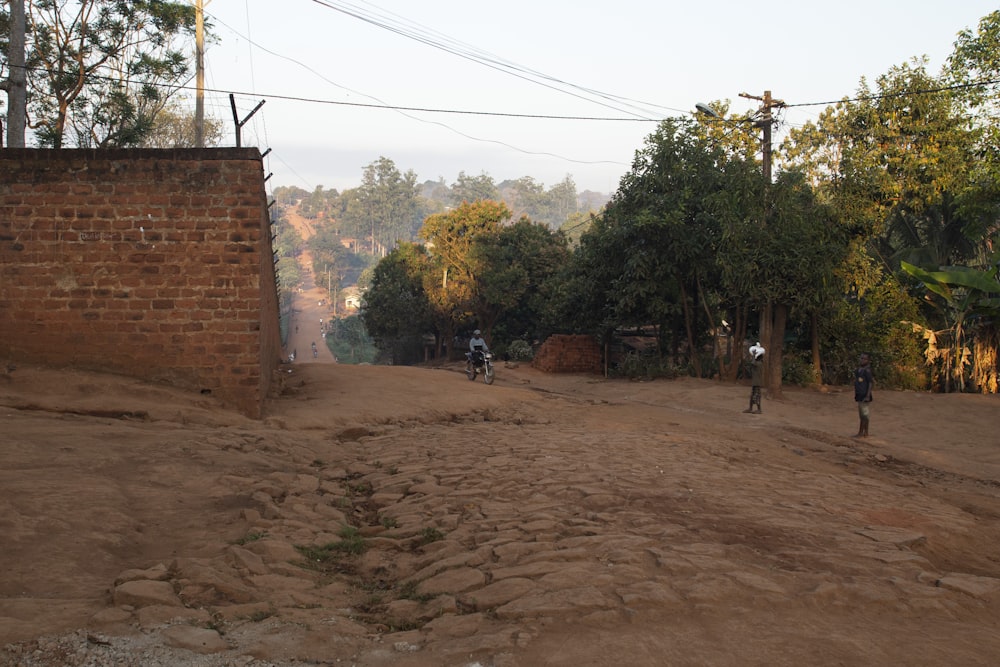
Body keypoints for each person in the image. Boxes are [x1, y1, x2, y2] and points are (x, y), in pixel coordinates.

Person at [854, 352, 874, 437]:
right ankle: (861, 432)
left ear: (868, 360)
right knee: (862, 414)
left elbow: (870, 383)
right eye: (861, 358)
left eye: (864, 359)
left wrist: (868, 395)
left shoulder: (867, 370)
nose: (862, 360)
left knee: (865, 415)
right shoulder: (859, 369)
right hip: (859, 393)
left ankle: (865, 432)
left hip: (865, 394)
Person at [744, 342, 765, 414]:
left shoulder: (759, 364)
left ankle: (759, 409)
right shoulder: (759, 363)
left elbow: (753, 363)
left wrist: (753, 355)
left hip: (757, 382)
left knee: (757, 395)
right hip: (755, 382)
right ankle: (750, 408)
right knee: (753, 395)